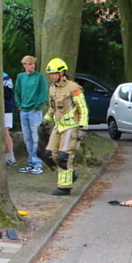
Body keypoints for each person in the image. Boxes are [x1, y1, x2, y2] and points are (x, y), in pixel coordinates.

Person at [45, 58, 88, 196]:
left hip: (71, 126)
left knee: (64, 156)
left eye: (54, 73)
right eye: (50, 74)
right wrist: (46, 120)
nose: (52, 76)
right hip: (58, 126)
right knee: (49, 155)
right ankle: (70, 174)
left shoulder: (73, 88)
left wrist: (83, 126)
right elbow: (53, 108)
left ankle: (64, 187)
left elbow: (82, 108)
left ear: (62, 72)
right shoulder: (52, 88)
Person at [15, 55, 49, 175]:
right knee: (27, 138)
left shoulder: (39, 77)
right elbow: (17, 92)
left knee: (36, 138)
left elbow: (43, 93)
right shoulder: (21, 77)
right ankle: (31, 162)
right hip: (24, 111)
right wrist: (19, 105)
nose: (31, 66)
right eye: (29, 64)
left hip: (34, 112)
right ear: (24, 65)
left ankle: (37, 163)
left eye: (33, 64)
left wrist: (36, 107)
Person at [3, 72, 16, 166]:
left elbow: (8, 94)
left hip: (6, 109)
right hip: (2, 108)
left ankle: (10, 157)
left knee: (5, 131)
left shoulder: (5, 77)